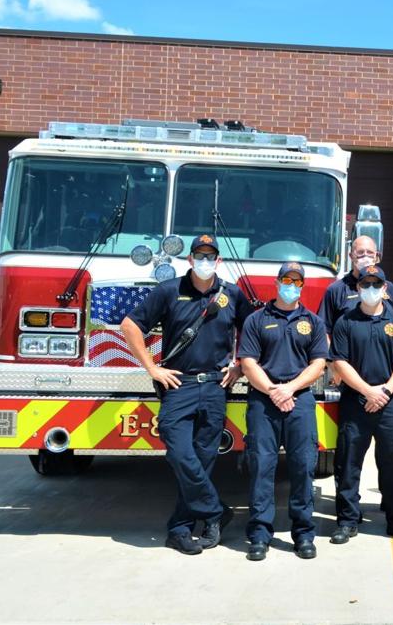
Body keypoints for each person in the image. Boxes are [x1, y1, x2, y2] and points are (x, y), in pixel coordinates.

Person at [121, 234, 254, 555]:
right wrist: (152, 368)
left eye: (211, 256)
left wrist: (239, 365)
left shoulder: (232, 294)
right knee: (181, 453)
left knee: (203, 459)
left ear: (218, 261)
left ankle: (180, 529)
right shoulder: (169, 291)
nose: (206, 261)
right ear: (190, 259)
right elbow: (129, 325)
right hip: (178, 384)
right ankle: (214, 510)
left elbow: (252, 330)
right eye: (200, 256)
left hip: (215, 387)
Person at [237, 261, 328, 561]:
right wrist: (274, 390)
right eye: (287, 280)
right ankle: (260, 534)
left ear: (302, 286)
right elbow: (248, 362)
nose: (292, 285)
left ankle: (303, 533)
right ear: (277, 283)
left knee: (303, 467)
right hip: (264, 401)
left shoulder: (313, 322)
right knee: (262, 467)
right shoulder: (256, 319)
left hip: (299, 400)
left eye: (297, 281)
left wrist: (289, 389)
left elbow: (318, 364)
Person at [329, 265, 393, 544]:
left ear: (385, 288)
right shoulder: (345, 321)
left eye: (376, 284)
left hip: (389, 401)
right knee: (349, 462)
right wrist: (367, 391)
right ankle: (347, 520)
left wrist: (386, 390)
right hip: (356, 400)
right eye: (365, 284)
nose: (370, 290)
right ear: (357, 288)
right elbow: (339, 361)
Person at [320, 235, 393, 333]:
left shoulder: (389, 288)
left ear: (376, 256)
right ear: (351, 256)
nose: (365, 256)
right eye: (360, 252)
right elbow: (323, 331)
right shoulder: (335, 290)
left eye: (370, 252)